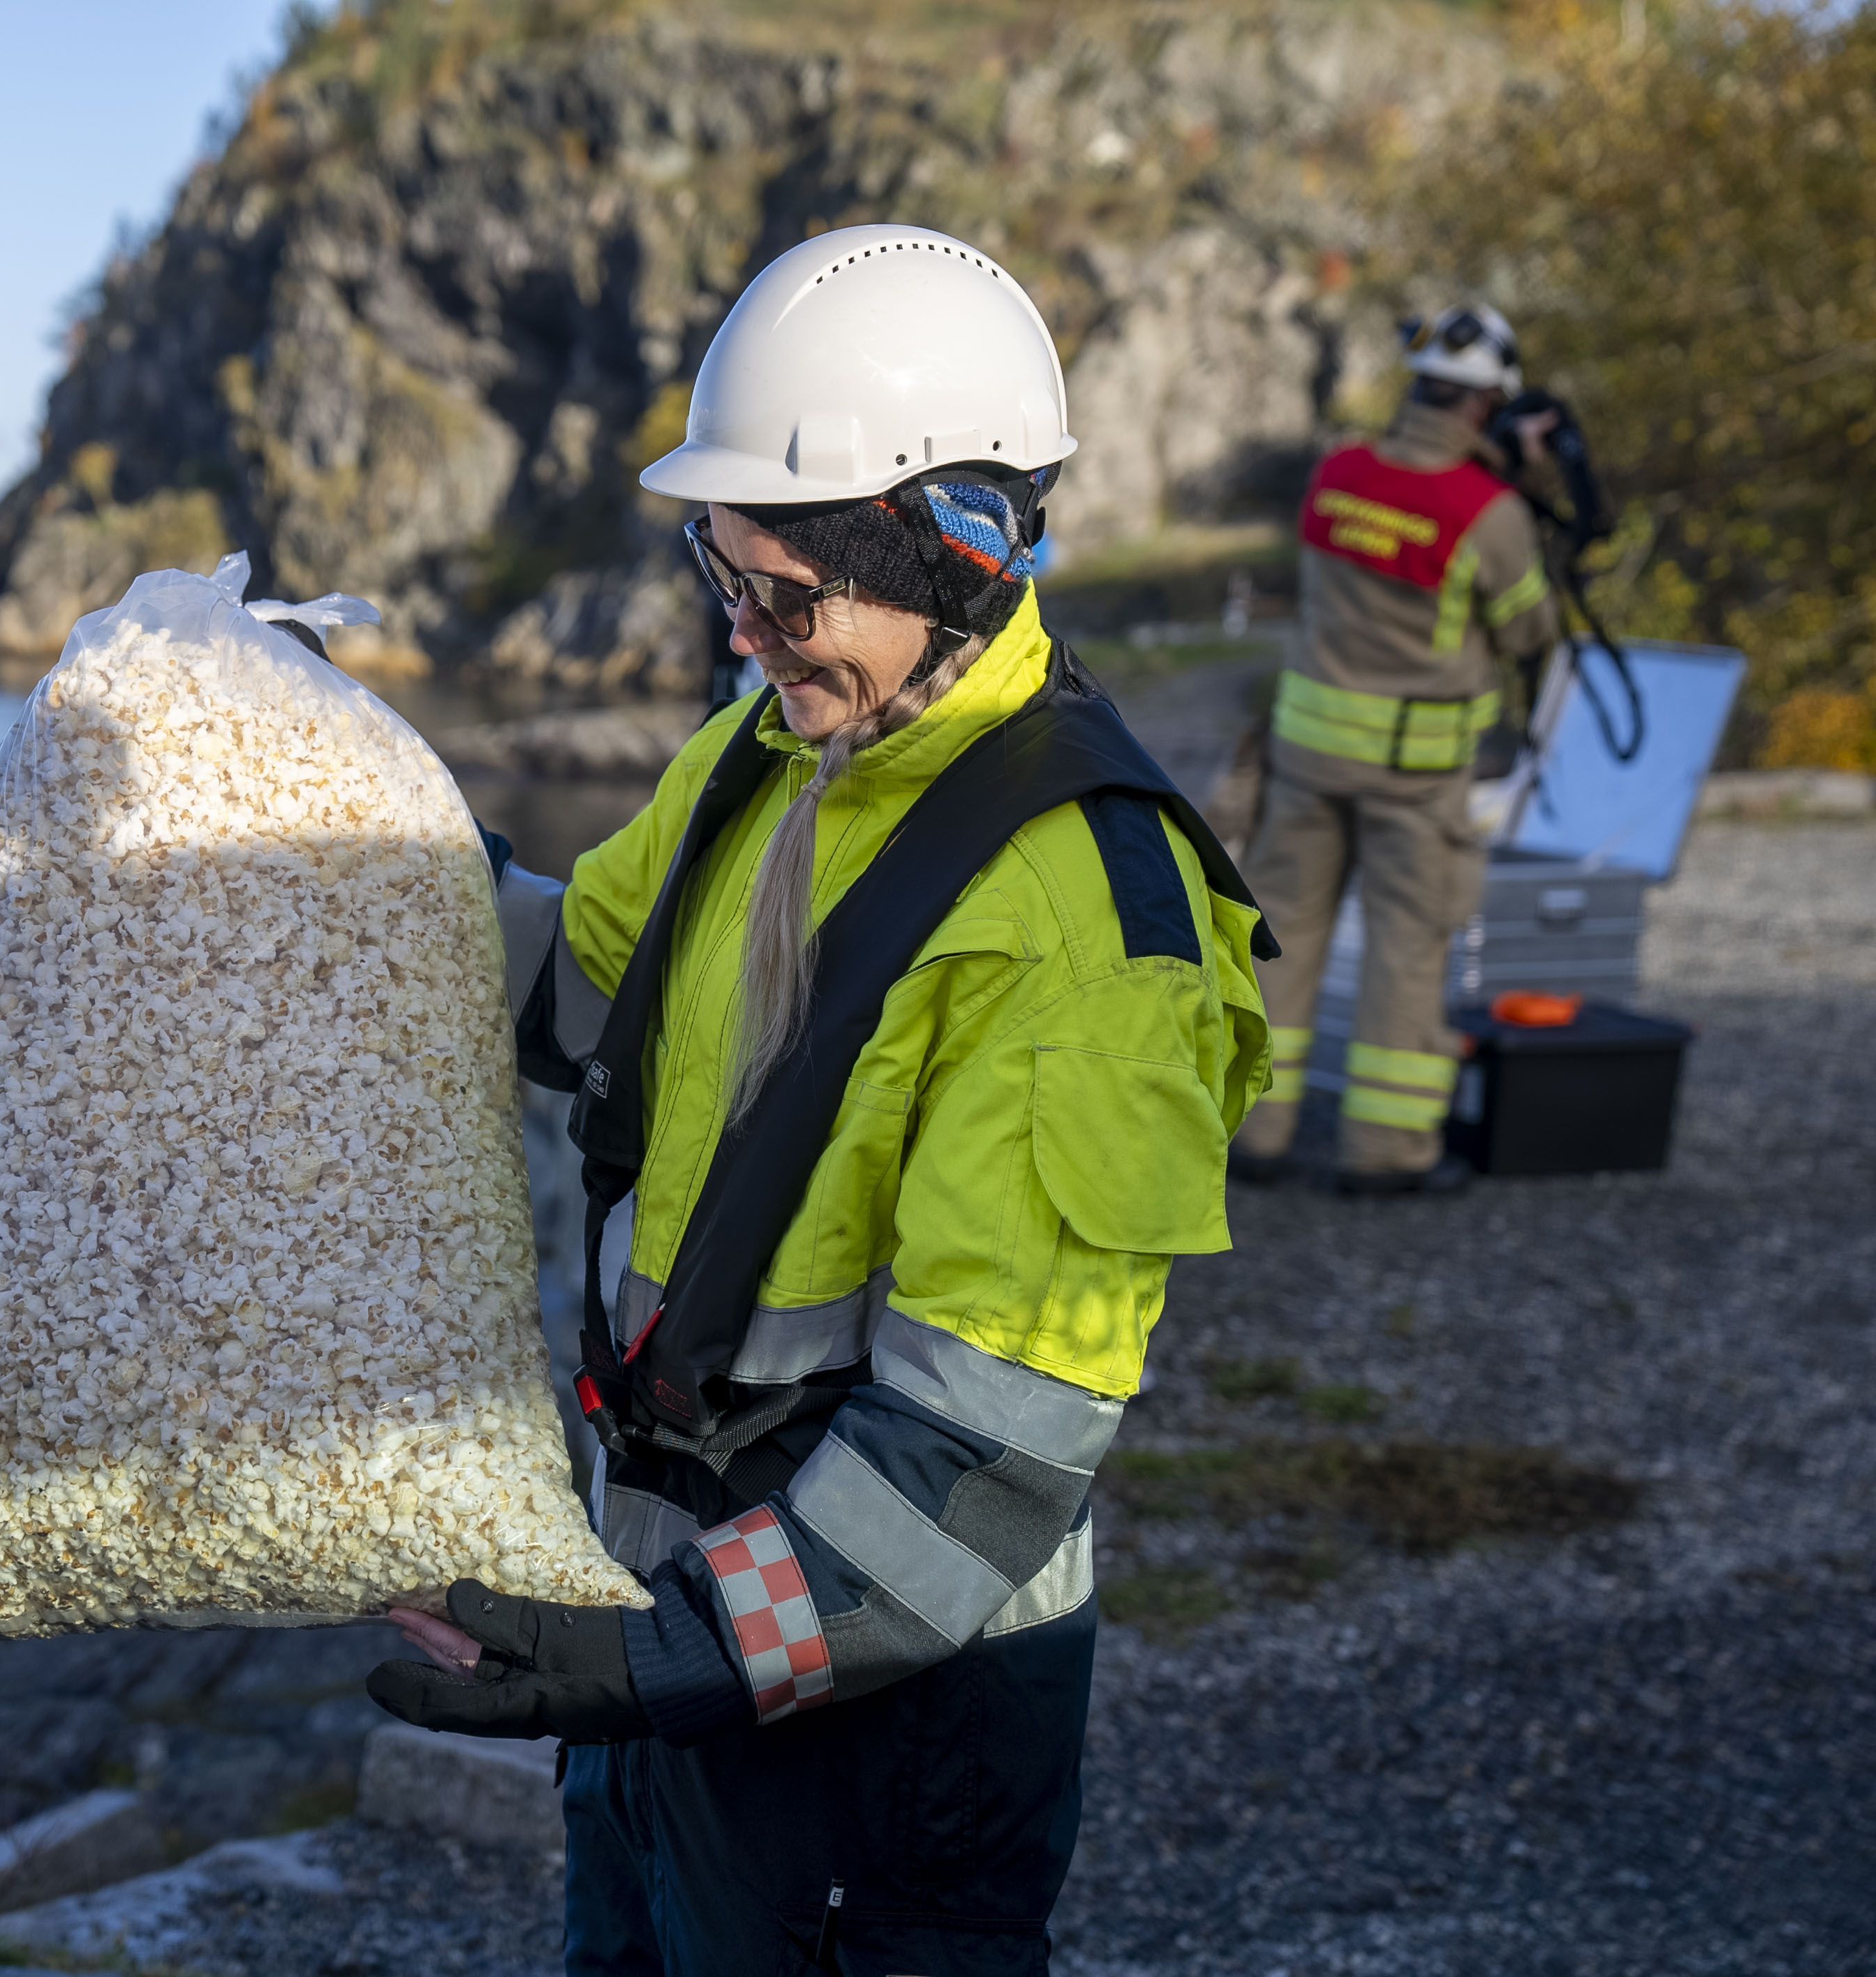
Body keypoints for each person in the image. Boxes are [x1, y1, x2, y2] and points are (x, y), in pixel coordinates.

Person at [365, 224, 1272, 1977]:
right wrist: (367, 855)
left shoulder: (1080, 929)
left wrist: (661, 1653)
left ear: (957, 551)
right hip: (674, 1621)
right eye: (717, 572)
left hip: (880, 1707)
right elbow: (582, 1002)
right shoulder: (766, 753)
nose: (742, 631)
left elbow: (980, 1452)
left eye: (785, 596)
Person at [1227, 302, 1568, 1194]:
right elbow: (1530, 631)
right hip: (1413, 777)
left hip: (1305, 757)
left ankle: (1252, 1134)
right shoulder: (1486, 511)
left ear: (1418, 387)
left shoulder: (1338, 473)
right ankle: (1384, 1152)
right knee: (1405, 951)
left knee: (1282, 936)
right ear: (1486, 405)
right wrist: (1522, 481)